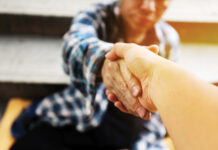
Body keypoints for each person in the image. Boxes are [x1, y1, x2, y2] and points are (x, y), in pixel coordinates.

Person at [10, 0, 180, 149]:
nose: (148, 7)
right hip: (82, 114)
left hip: (128, 126)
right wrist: (105, 62)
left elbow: (160, 105)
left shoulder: (168, 39)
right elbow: (74, 45)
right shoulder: (96, 16)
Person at [105, 43, 218, 150]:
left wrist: (152, 75)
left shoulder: (168, 38)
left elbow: (156, 124)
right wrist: (105, 64)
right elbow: (89, 45)